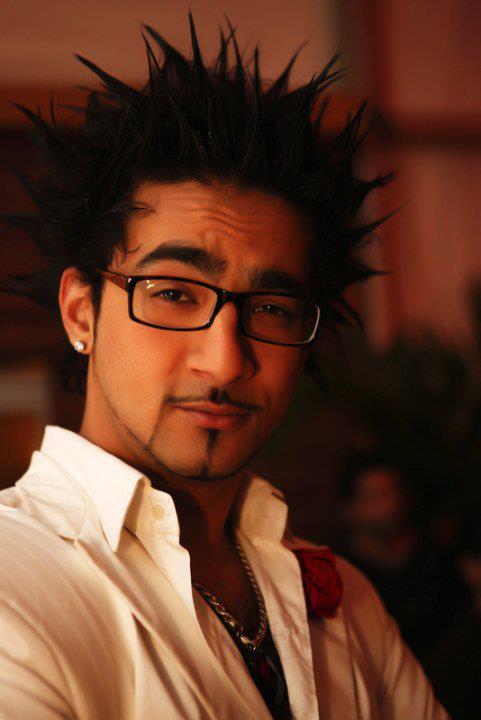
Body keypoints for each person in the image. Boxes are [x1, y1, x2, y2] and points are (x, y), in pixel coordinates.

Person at [0, 15, 448, 720]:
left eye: (270, 308)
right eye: (175, 293)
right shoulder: (13, 584)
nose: (226, 359)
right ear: (82, 312)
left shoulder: (347, 603)